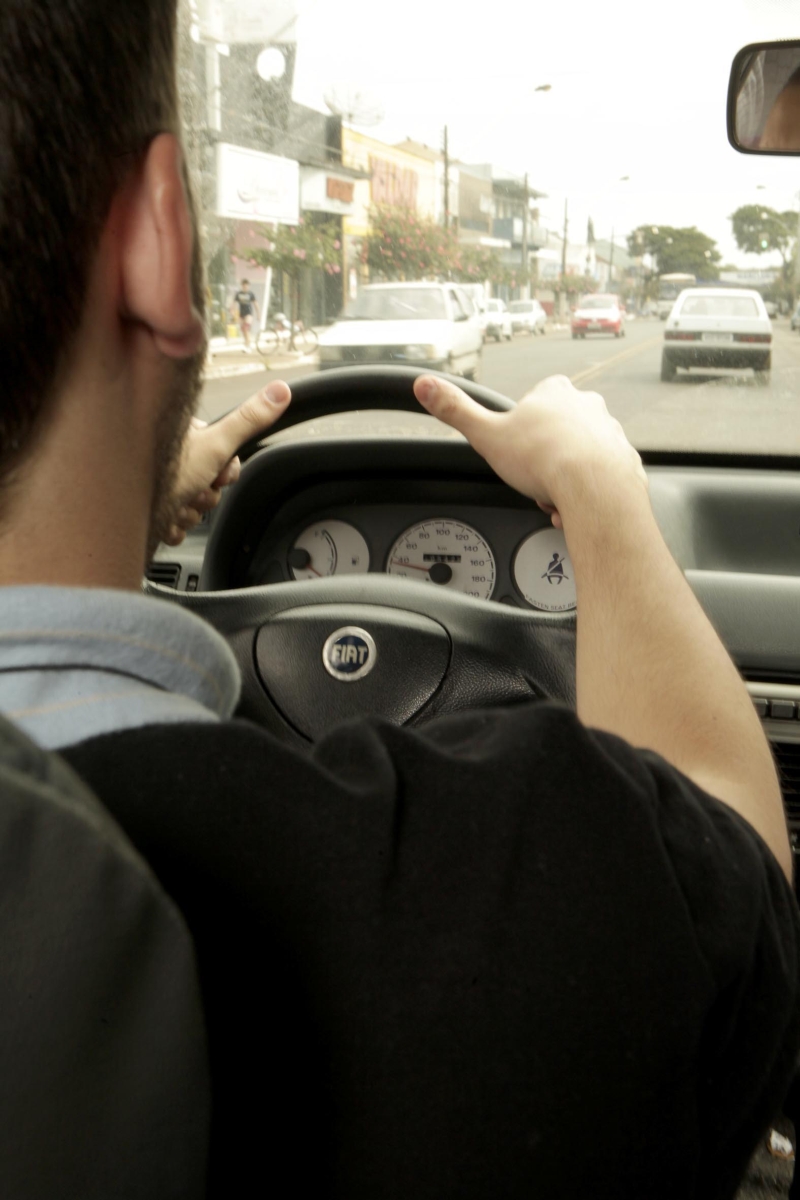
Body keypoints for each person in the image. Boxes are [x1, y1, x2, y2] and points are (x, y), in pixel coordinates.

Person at [0, 3, 798, 1198]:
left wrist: (106, 509)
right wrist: (598, 495)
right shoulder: (501, 927)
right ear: (163, 241)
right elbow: (729, 854)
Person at [232, 277, 260, 350]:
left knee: (245, 328)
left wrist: (258, 314)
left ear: (248, 286)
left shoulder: (251, 294)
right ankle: (247, 343)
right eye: (244, 286)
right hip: (241, 314)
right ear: (242, 286)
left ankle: (247, 345)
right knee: (243, 330)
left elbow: (256, 304)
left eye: (246, 286)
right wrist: (233, 313)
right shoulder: (238, 294)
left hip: (249, 314)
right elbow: (234, 304)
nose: (245, 287)